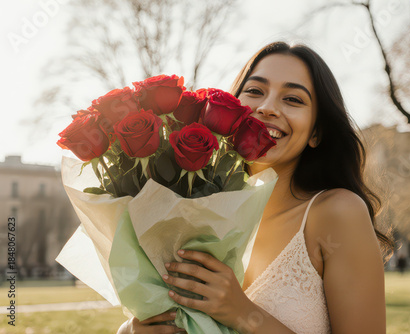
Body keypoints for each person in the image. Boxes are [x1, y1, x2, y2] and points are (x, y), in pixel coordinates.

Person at [117, 41, 394, 334]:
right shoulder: (192, 211)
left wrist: (242, 313)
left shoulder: (337, 212)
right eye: (255, 91)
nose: (267, 108)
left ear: (316, 132)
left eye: (293, 99)